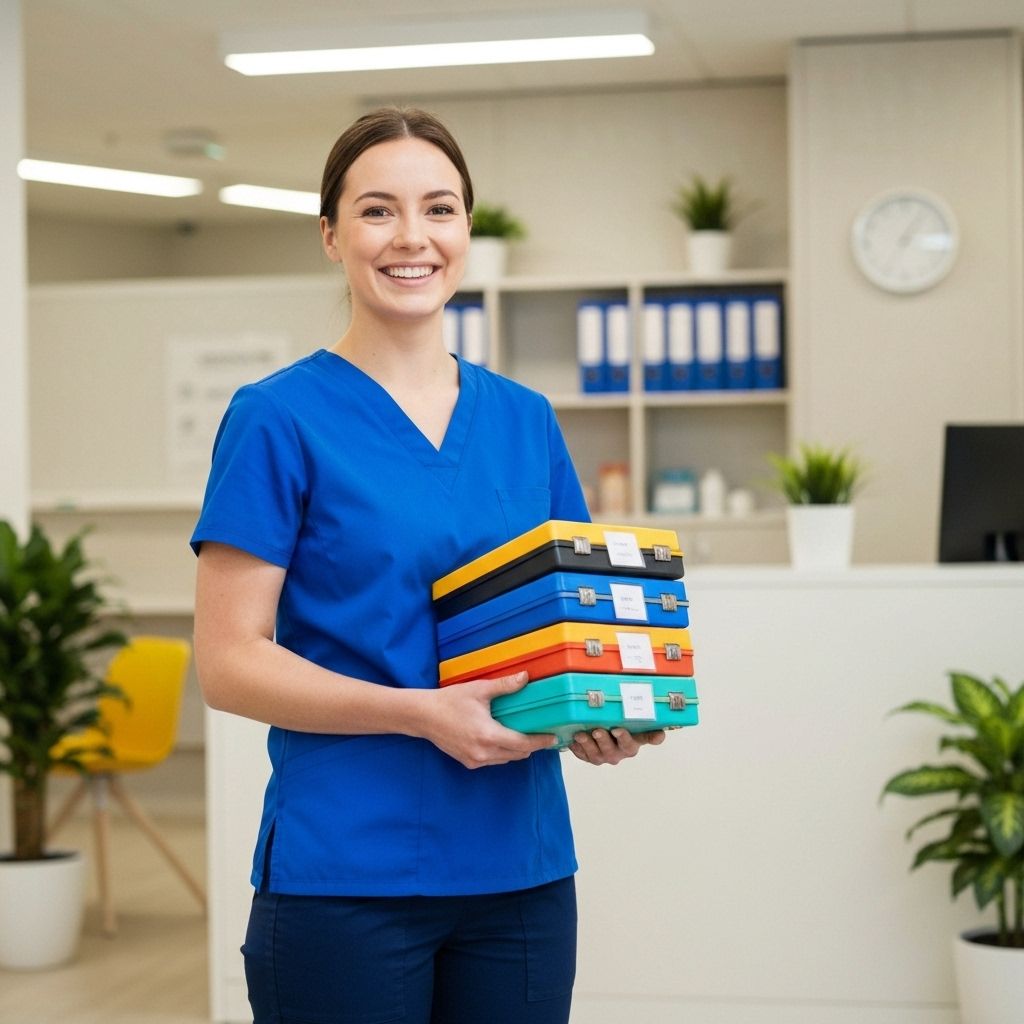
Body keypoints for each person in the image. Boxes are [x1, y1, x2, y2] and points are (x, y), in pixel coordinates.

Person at [191, 106, 666, 1024]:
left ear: (466, 232)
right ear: (332, 236)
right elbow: (228, 661)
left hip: (520, 873)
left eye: (439, 209)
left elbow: (570, 628)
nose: (412, 237)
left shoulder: (526, 420)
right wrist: (419, 716)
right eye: (377, 211)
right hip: (347, 878)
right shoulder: (277, 419)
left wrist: (598, 715)